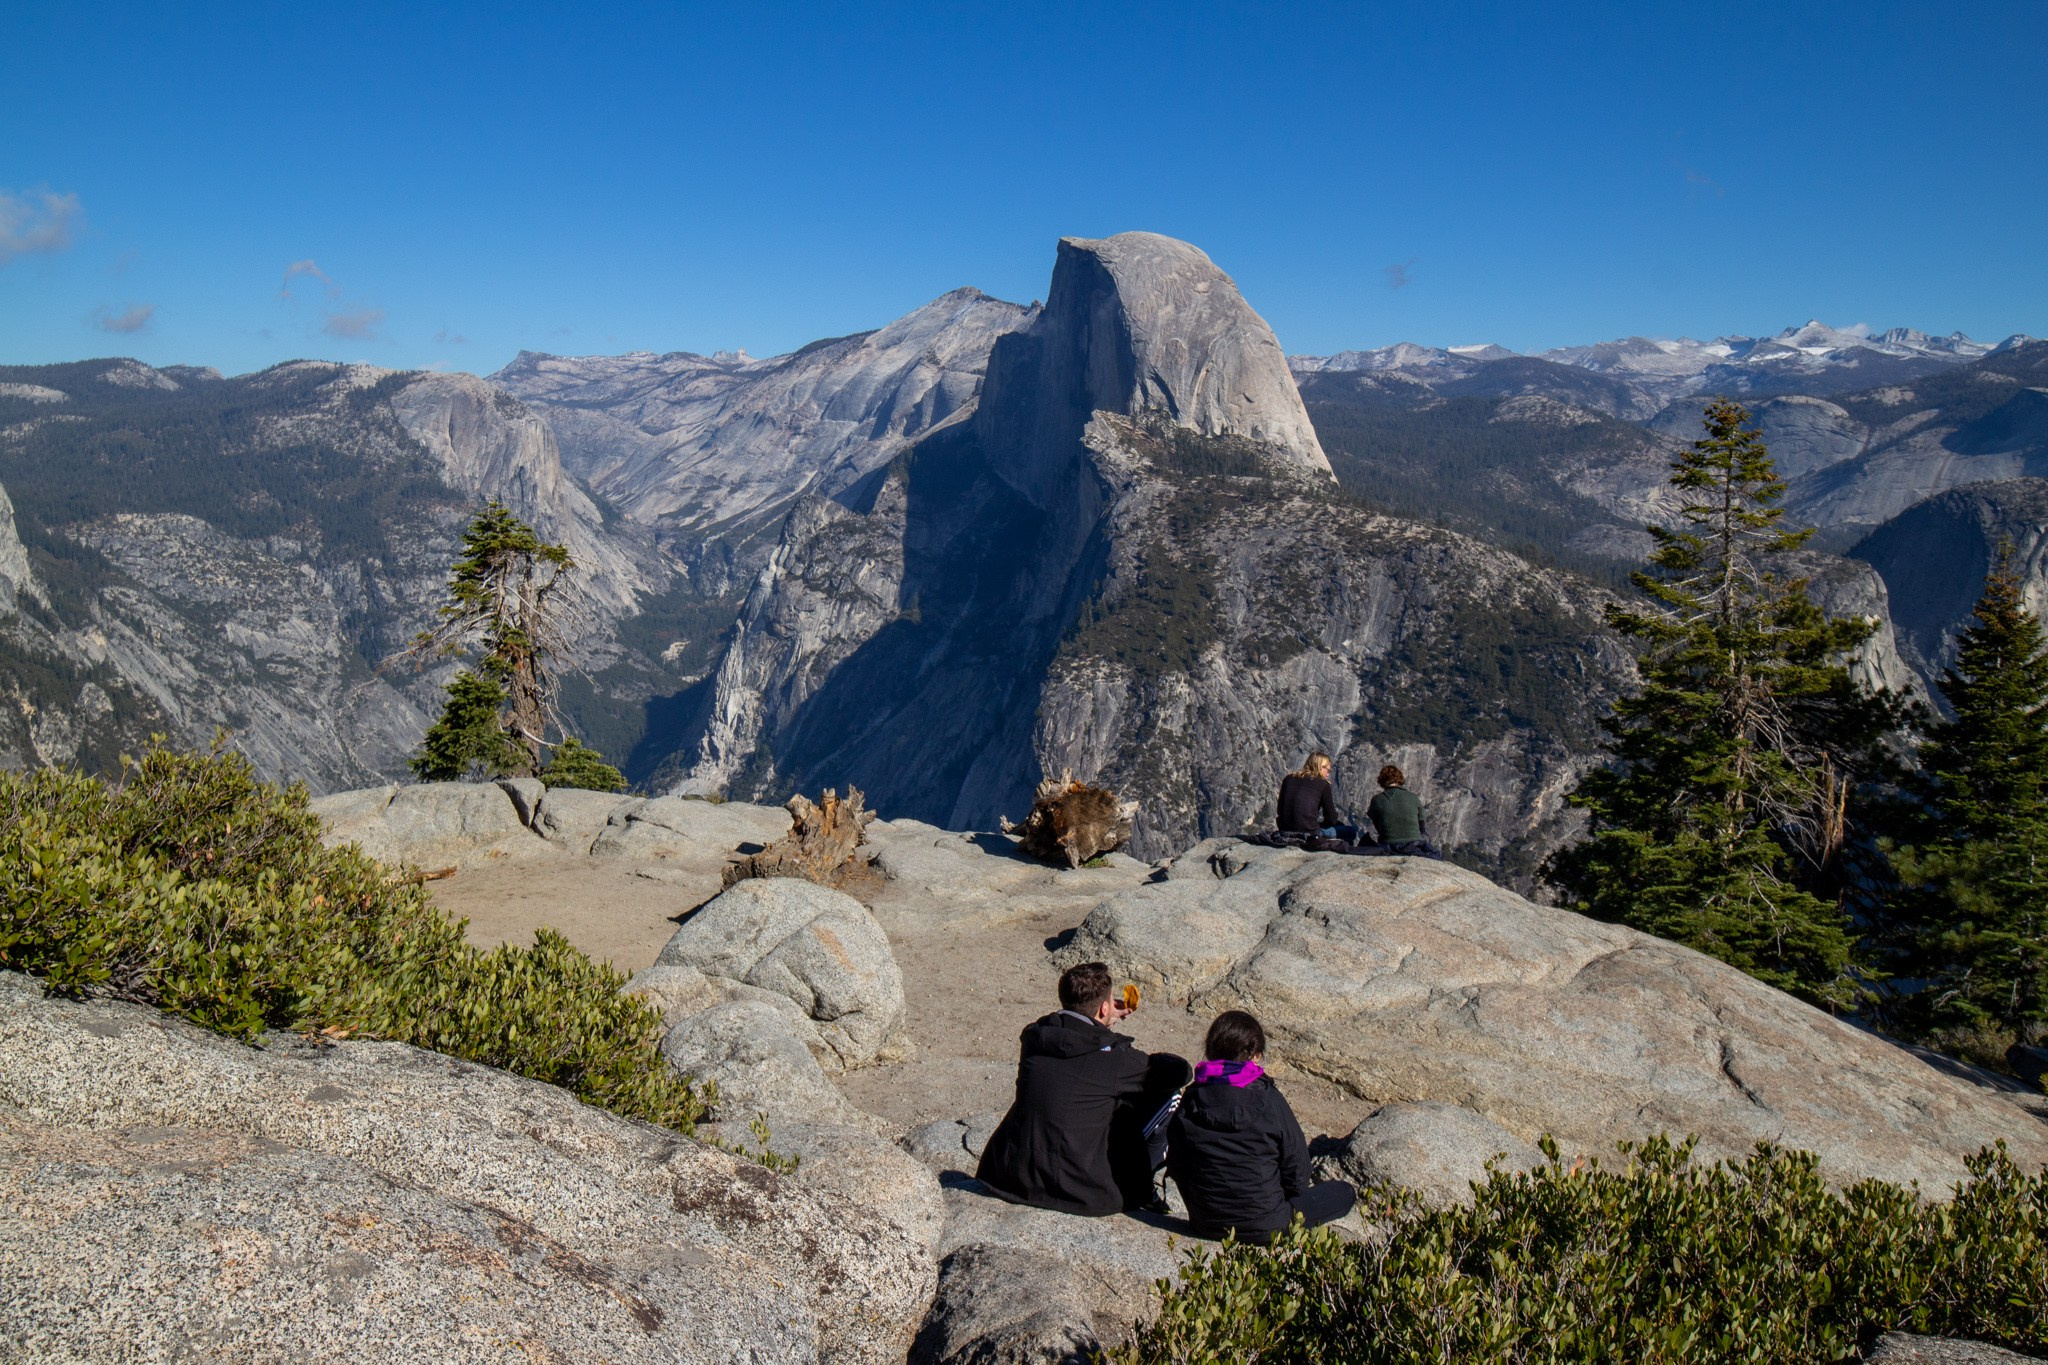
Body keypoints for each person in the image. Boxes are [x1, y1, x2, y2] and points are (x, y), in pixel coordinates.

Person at [976, 962, 1192, 1216]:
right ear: (1103, 1008)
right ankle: (1141, 1188)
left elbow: (1077, 1050)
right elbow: (1182, 1072)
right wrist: (1108, 1031)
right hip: (1079, 1192)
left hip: (1011, 1177)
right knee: (1170, 1097)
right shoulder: (1113, 1058)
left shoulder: (1035, 1038)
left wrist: (1102, 1021)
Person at [1167, 1010, 1357, 1242]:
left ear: (1210, 1051)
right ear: (1255, 1055)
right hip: (1269, 1225)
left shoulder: (1191, 1099)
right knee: (1344, 1192)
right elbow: (1298, 1170)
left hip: (1206, 1223)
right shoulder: (1269, 1100)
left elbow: (1177, 1165)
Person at [1277, 751, 1358, 843]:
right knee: (1351, 831)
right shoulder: (1323, 784)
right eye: (1328, 770)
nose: (1328, 774)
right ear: (1320, 767)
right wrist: (1319, 825)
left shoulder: (1288, 779)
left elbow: (1280, 810)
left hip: (1284, 831)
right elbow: (1331, 818)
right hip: (1310, 834)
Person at [1365, 763, 1442, 858]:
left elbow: (1377, 824)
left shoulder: (1377, 800)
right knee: (1426, 839)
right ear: (1400, 779)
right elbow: (1421, 826)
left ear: (1381, 781)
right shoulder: (1413, 797)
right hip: (1414, 844)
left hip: (1389, 844)